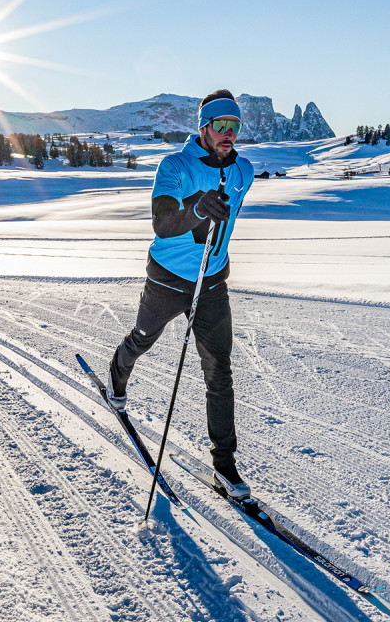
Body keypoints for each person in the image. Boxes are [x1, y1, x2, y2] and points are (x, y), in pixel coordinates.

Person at [110, 90, 255, 499]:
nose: (229, 134)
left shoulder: (244, 170)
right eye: (221, 126)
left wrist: (215, 248)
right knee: (143, 339)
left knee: (219, 371)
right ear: (203, 127)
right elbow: (162, 222)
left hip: (211, 283)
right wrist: (196, 208)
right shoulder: (174, 165)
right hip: (168, 280)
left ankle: (225, 467)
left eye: (235, 127)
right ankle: (116, 376)